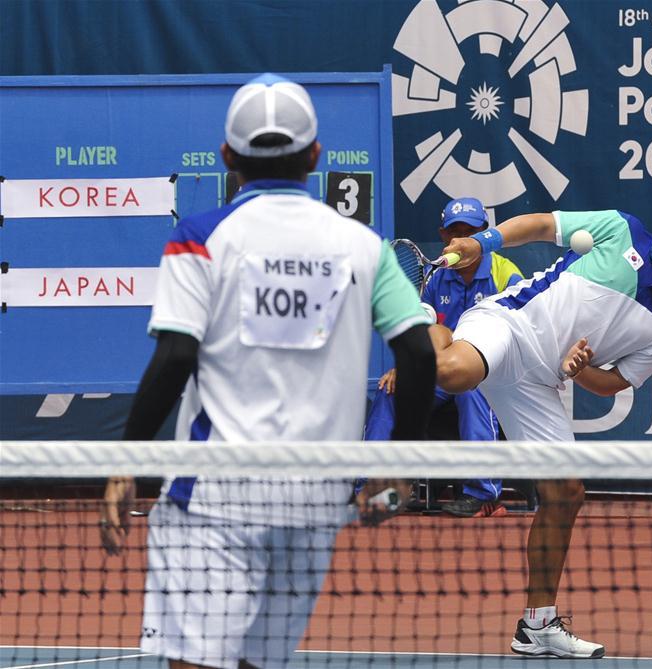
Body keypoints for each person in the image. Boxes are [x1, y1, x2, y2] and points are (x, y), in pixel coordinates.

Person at [99, 73, 436, 669]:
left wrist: (125, 462)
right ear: (316, 156)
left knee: (195, 663)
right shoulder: (366, 246)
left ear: (228, 157)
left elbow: (176, 356)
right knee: (261, 662)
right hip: (315, 498)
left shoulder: (199, 238)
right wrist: (401, 466)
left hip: (214, 495)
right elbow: (417, 354)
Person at [429, 182, 652, 658]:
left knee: (566, 493)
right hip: (509, 324)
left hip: (538, 385)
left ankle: (537, 625)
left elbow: (611, 383)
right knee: (454, 374)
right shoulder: (621, 229)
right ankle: (428, 320)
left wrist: (580, 369)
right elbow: (541, 225)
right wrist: (483, 242)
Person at [365, 197, 523, 517]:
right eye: (455, 233)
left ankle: (482, 493)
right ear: (443, 236)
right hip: (443, 371)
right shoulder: (436, 278)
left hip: (492, 373)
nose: (461, 240)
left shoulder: (507, 275)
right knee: (391, 391)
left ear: (484, 234)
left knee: (471, 388)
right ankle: (374, 487)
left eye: (471, 232)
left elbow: (521, 334)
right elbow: (425, 332)